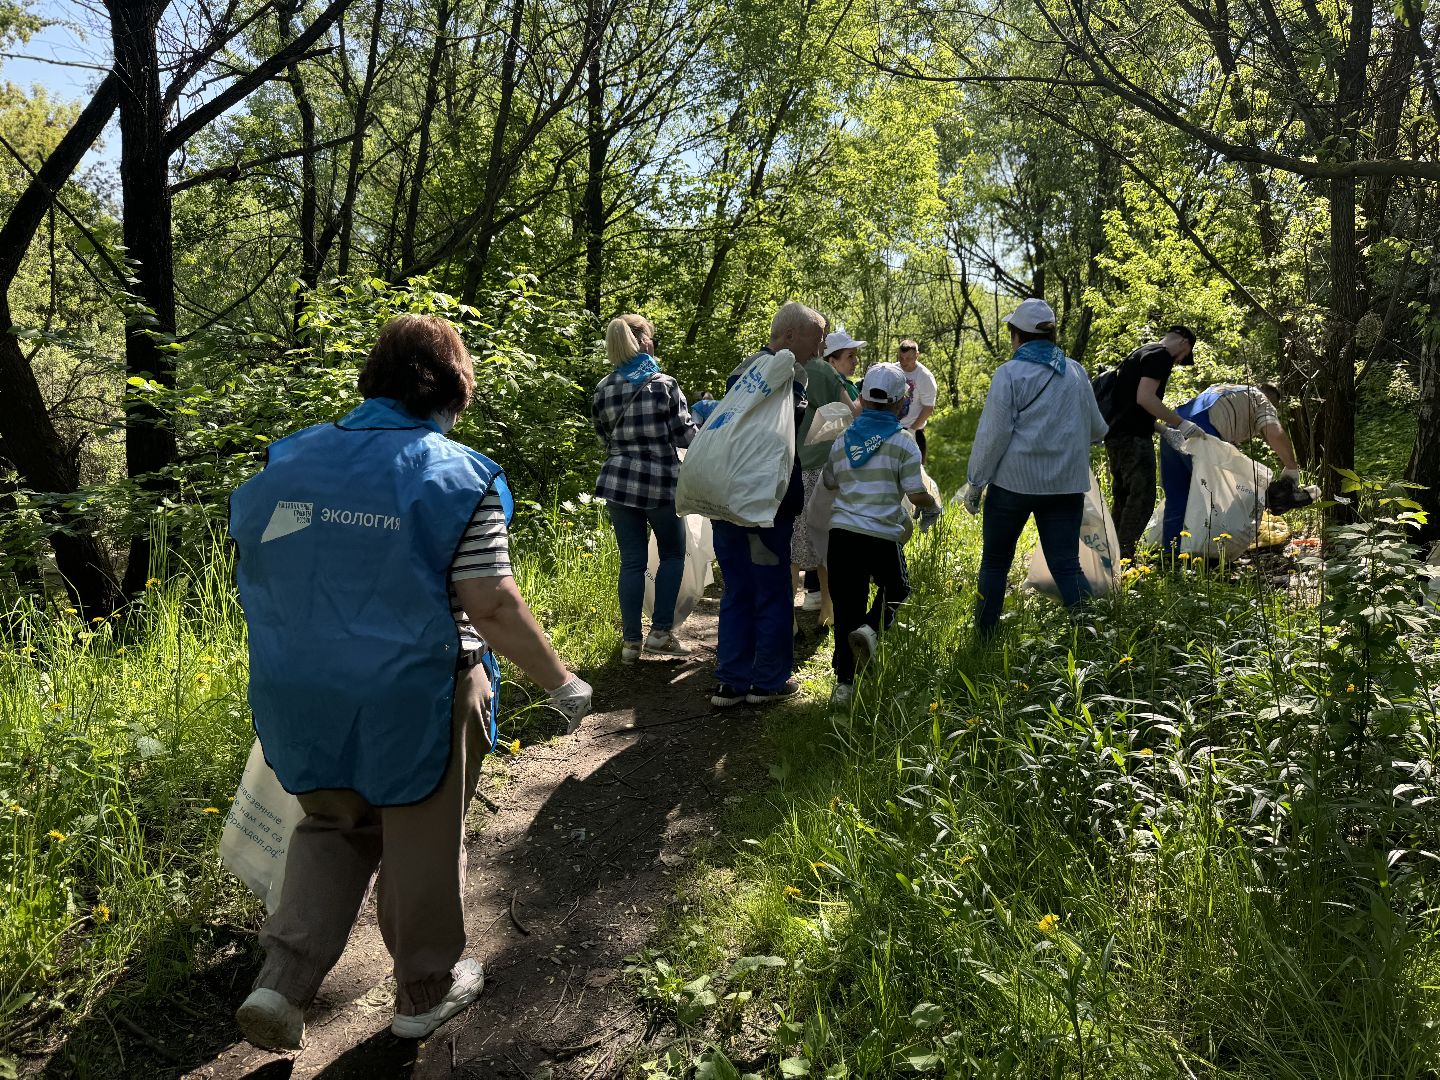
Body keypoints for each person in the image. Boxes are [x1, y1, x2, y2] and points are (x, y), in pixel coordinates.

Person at [227, 315, 593, 1050]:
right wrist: (560, 679)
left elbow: (270, 560)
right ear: (455, 384)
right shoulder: (458, 474)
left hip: (301, 686)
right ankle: (425, 989)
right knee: (421, 834)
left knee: (333, 823)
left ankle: (281, 982)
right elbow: (489, 600)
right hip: (416, 691)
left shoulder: (292, 460)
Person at [960, 299, 1108, 635]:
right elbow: (1098, 429)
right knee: (1067, 567)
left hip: (1013, 485)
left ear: (1017, 335)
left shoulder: (1010, 373)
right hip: (1065, 486)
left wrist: (976, 483)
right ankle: (1093, 637)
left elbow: (993, 434)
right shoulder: (1075, 370)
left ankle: (983, 639)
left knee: (995, 564)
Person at [709, 301, 824, 708]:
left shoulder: (742, 371)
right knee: (773, 591)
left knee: (737, 589)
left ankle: (731, 681)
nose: (821, 345)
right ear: (791, 336)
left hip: (725, 497)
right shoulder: (785, 372)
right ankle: (769, 681)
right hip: (765, 504)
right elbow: (780, 442)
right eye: (818, 335)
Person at [824, 363, 938, 705]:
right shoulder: (903, 442)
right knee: (898, 586)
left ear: (861, 398)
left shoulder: (843, 440)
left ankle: (843, 687)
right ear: (901, 404)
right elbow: (916, 493)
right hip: (881, 536)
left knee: (846, 607)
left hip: (842, 535)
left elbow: (830, 482)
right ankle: (871, 630)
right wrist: (932, 507)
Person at [592, 314, 698, 661]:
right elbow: (685, 435)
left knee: (632, 562)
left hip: (618, 481)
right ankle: (661, 632)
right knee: (671, 554)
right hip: (660, 481)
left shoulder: (603, 387)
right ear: (644, 342)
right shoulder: (664, 384)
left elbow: (603, 436)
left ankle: (630, 643)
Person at [1159, 382, 1317, 551]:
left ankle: (1171, 558)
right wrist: (1292, 468)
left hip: (1172, 427)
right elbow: (1273, 431)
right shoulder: (1260, 399)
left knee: (1177, 497)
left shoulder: (1224, 388)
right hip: (1200, 434)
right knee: (1217, 500)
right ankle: (1210, 557)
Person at [1103, 324, 1198, 560]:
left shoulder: (1140, 353)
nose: (1178, 363)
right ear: (1184, 343)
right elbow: (1145, 398)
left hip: (1116, 437)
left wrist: (1162, 429)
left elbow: (1131, 407)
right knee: (1142, 499)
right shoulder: (1162, 356)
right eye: (1183, 358)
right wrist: (1180, 423)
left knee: (1123, 498)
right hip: (1133, 441)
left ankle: (1108, 556)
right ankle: (1124, 559)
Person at [795, 330, 865, 621]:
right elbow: (852, 418)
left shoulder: (792, 367)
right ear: (828, 355)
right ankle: (827, 608)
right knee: (822, 539)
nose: (855, 361)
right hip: (819, 466)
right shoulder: (825, 373)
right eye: (850, 355)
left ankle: (795, 615)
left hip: (793, 464)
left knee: (795, 542)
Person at [895, 339, 937, 463]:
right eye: (901, 358)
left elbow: (928, 408)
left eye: (908, 358)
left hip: (913, 431)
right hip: (892, 429)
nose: (904, 362)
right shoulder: (893, 370)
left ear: (917, 355)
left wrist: (912, 430)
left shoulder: (925, 377)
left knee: (916, 474)